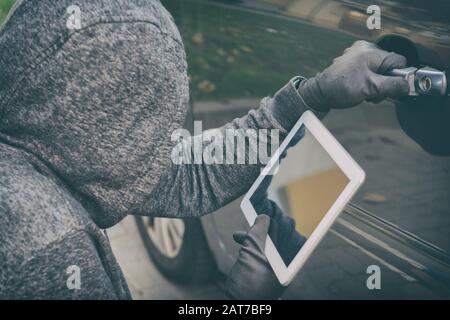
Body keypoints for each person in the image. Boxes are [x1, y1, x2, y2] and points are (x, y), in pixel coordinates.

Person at [0, 0, 409, 299]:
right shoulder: (37, 240)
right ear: (94, 124)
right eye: (147, 131)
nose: (165, 147)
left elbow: (192, 172)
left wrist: (311, 95)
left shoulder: (49, 143)